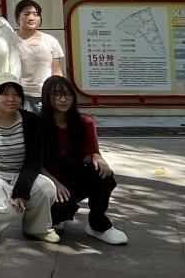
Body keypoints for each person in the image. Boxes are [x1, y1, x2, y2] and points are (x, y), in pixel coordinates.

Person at [0, 79, 58, 243]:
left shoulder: (31, 121)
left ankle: (37, 228)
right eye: (5, 94)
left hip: (21, 173)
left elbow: (35, 159)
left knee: (46, 188)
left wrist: (22, 190)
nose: (11, 99)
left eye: (16, 95)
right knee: (8, 208)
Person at [40, 76, 127, 245]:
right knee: (60, 212)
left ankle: (98, 225)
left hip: (73, 175)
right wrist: (55, 184)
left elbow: (91, 153)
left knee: (103, 175)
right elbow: (34, 163)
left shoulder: (84, 122)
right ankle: (53, 217)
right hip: (47, 181)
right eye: (57, 95)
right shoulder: (38, 124)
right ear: (47, 97)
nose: (63, 99)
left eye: (68, 94)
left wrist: (97, 157)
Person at [14, 0, 65, 113]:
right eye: (26, 14)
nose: (31, 18)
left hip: (45, 94)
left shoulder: (51, 41)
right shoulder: (9, 40)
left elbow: (56, 71)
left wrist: (58, 93)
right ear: (18, 18)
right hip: (18, 94)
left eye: (35, 14)